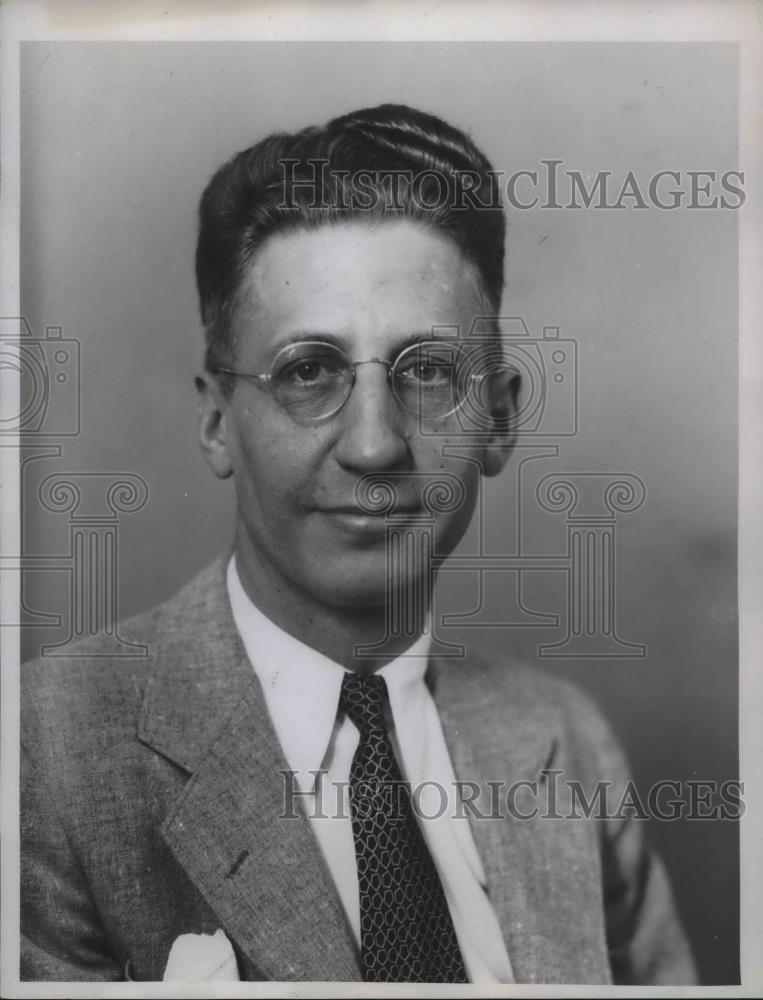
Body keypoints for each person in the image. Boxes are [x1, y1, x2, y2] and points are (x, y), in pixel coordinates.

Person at [21, 103, 697, 984]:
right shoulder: (46, 751)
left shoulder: (564, 742)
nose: (373, 444)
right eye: (308, 371)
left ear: (497, 416)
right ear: (216, 421)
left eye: (426, 371)